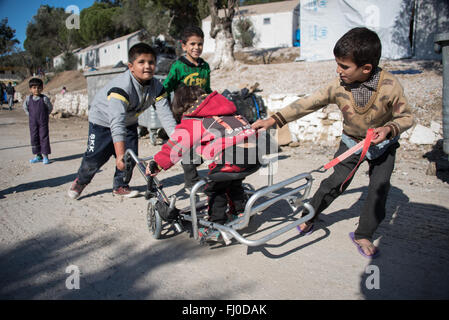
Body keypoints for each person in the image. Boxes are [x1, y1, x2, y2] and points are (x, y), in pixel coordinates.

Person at [252, 27, 414, 258]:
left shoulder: (390, 86)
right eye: (337, 64)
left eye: (344, 66)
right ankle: (310, 215)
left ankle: (364, 234)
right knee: (335, 182)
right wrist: (272, 120)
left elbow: (406, 117)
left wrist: (389, 129)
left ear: (366, 68)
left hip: (383, 146)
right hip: (352, 143)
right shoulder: (337, 85)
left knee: (379, 190)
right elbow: (308, 102)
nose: (338, 70)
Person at [146, 86, 260, 242]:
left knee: (215, 189)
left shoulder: (196, 119)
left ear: (182, 106)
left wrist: (158, 163)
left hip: (231, 159)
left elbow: (177, 145)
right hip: (255, 155)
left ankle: (216, 225)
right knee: (233, 182)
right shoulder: (229, 110)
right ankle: (239, 211)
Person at [67, 43, 177, 200]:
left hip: (129, 121)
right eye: (142, 62)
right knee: (94, 158)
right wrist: (119, 155)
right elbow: (116, 123)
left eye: (151, 62)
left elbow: (166, 116)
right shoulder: (122, 87)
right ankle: (81, 181)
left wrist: (179, 141)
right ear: (131, 66)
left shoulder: (157, 87)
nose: (147, 66)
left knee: (129, 159)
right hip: (102, 122)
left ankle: (120, 186)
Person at [163, 25, 212, 195]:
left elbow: (207, 88)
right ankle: (191, 182)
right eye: (192, 44)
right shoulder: (178, 66)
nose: (196, 48)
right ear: (183, 46)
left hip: (201, 113)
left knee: (200, 147)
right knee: (188, 147)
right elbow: (166, 88)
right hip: (183, 115)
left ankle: (194, 170)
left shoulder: (205, 66)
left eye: (200, 44)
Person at [23, 78, 53, 164]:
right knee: (34, 137)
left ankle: (45, 157)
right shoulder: (28, 99)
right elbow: (25, 108)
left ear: (42, 88)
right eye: (34, 87)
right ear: (30, 89)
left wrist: (45, 115)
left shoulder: (44, 99)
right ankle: (38, 156)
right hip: (33, 122)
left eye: (39, 87)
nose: (36, 89)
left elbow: (50, 108)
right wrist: (30, 115)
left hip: (43, 122)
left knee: (44, 137)